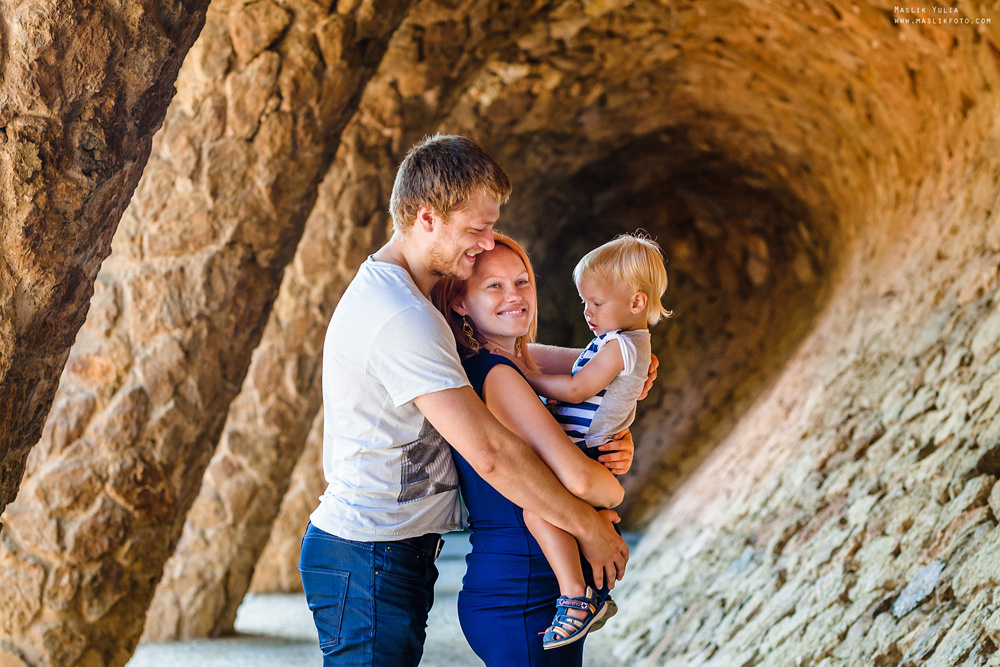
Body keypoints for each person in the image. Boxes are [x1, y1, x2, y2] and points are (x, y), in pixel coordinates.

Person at [298, 134, 634, 666]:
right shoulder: (401, 314)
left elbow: (501, 355)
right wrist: (586, 524)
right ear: (426, 217)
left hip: (391, 550)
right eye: (476, 229)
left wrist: (619, 363)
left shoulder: (418, 296)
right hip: (366, 556)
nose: (485, 242)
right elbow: (492, 453)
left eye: (492, 227)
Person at [431, 233, 633, 665]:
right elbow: (578, 478)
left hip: (531, 585)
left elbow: (612, 366)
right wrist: (611, 499)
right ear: (461, 303)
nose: (515, 296)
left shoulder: (504, 369)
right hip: (522, 592)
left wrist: (615, 443)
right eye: (494, 286)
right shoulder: (497, 375)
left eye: (522, 282)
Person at [522, 233, 670, 649]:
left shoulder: (622, 346)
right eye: (584, 302)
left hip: (584, 450)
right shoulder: (618, 343)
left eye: (597, 303)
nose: (587, 312)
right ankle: (592, 593)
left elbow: (575, 389)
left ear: (637, 302)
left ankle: (576, 598)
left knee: (540, 513)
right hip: (583, 447)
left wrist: (521, 375)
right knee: (557, 516)